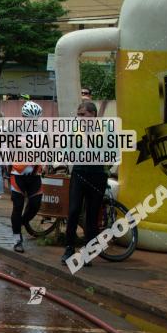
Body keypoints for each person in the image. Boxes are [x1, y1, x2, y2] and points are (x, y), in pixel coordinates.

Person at [61, 101, 106, 265]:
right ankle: (69, 248)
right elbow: (66, 148)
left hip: (98, 175)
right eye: (78, 114)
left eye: (82, 114)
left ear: (93, 114)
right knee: (73, 211)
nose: (79, 117)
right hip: (79, 173)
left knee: (92, 216)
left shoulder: (105, 129)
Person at [10, 101, 45, 253]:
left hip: (35, 174)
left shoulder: (41, 132)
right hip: (18, 174)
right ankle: (17, 239)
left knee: (35, 204)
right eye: (30, 119)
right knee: (17, 206)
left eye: (35, 119)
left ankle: (20, 223)